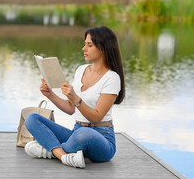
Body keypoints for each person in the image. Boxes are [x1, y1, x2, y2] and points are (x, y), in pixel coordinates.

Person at [24, 25, 125, 169]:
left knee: (84, 133)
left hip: (102, 139)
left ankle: (50, 150)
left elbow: (96, 117)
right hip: (76, 132)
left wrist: (76, 99)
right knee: (32, 119)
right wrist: (50, 95)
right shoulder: (81, 70)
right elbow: (72, 109)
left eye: (89, 45)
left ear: (103, 48)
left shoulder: (112, 78)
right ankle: (63, 155)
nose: (84, 49)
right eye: (85, 44)